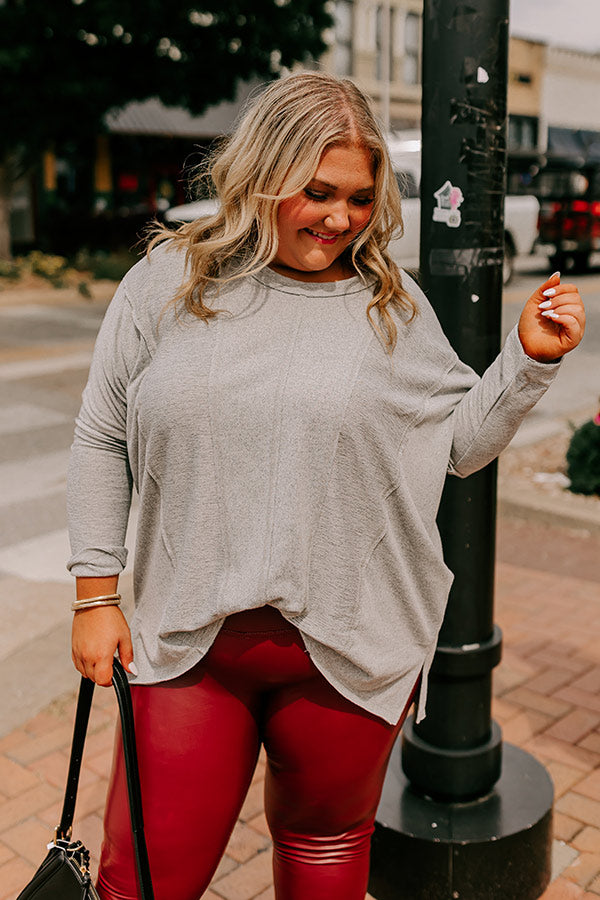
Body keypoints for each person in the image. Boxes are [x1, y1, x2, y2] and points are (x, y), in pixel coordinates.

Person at [67, 72, 585, 900]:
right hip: (188, 644)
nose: (340, 218)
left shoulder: (391, 306)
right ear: (262, 174)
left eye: (359, 199)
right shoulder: (167, 282)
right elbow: (101, 435)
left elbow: (457, 446)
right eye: (317, 192)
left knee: (326, 849)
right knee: (141, 882)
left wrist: (528, 361)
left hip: (351, 646)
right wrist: (95, 595)